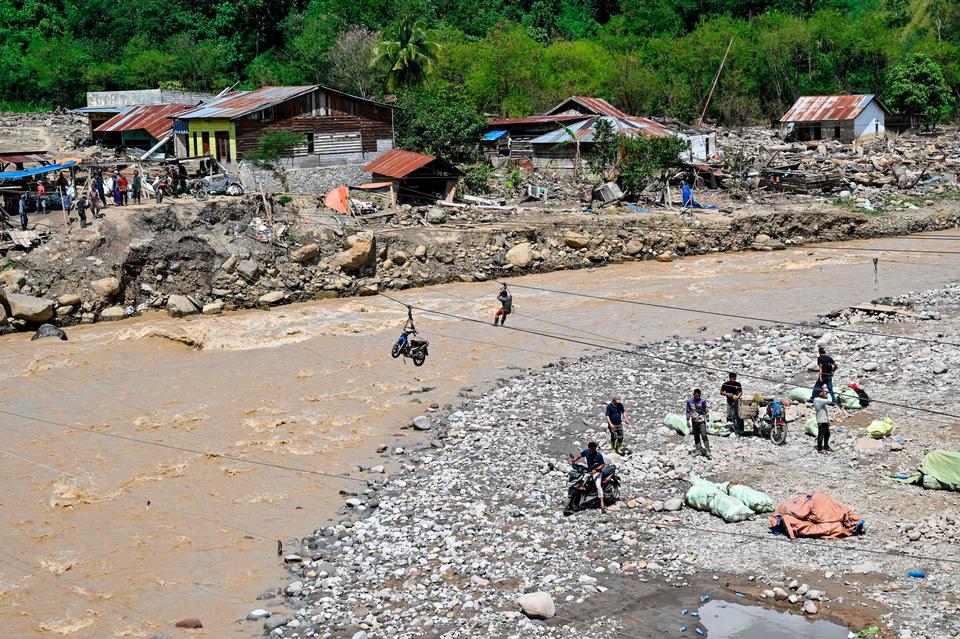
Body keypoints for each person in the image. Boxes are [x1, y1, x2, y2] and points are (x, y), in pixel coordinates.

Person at [571, 441, 606, 511]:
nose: (591, 452)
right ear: (589, 448)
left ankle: (602, 504)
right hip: (589, 470)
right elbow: (579, 455)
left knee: (598, 486)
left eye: (593, 450)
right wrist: (574, 460)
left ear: (595, 449)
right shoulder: (586, 452)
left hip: (597, 472)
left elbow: (602, 465)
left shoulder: (599, 455)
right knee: (581, 481)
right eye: (590, 450)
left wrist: (596, 470)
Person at [686, 388, 711, 458]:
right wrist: (687, 420)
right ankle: (698, 449)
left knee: (703, 434)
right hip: (694, 421)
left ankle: (707, 449)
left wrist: (708, 418)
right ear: (693, 394)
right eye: (696, 395)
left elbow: (706, 409)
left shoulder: (703, 401)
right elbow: (688, 411)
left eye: (698, 395)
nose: (697, 397)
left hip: (701, 420)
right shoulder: (689, 401)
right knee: (696, 436)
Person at [720, 372, 744, 436]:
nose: (734, 380)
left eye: (735, 379)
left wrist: (737, 397)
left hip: (737, 401)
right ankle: (730, 429)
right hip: (729, 401)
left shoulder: (738, 384)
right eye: (733, 379)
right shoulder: (725, 384)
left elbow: (740, 392)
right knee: (729, 415)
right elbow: (721, 392)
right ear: (730, 378)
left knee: (738, 415)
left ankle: (740, 430)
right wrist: (727, 394)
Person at [813, 387, 834, 453]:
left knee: (827, 434)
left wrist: (827, 420)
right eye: (823, 391)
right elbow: (830, 400)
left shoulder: (819, 400)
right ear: (819, 393)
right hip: (821, 421)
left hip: (824, 420)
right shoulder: (818, 400)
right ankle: (820, 449)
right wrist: (829, 393)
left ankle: (826, 446)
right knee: (821, 435)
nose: (824, 392)